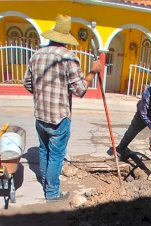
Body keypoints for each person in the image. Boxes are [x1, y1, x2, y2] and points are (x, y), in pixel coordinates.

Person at [23, 15, 102, 202]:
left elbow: (27, 83)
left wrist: (42, 92)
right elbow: (80, 90)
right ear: (66, 38)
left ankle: (45, 182)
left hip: (40, 115)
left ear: (52, 36)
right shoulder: (69, 58)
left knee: (44, 150)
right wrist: (93, 72)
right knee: (56, 156)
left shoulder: (37, 55)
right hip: (59, 118)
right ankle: (51, 194)